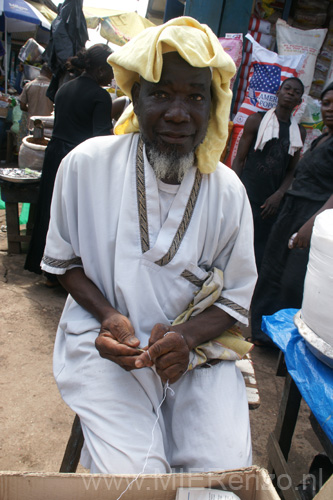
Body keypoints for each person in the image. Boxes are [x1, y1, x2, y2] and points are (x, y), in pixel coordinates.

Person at [41, 17, 257, 474]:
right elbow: (65, 263)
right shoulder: (86, 166)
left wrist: (187, 339)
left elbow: (236, 302)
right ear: (135, 99)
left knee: (217, 476)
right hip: (103, 343)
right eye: (160, 93)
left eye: (195, 96)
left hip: (199, 354)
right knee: (136, 475)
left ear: (213, 105)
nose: (179, 113)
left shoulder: (228, 191)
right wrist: (108, 315)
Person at [249, 82, 333, 346]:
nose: (330, 108)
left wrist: (311, 225)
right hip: (292, 211)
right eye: (326, 103)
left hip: (312, 215)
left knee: (291, 280)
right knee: (272, 269)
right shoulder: (322, 138)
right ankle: (263, 332)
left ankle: (284, 339)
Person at [24, 44, 114, 285]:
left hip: (55, 155)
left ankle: (47, 271)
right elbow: (102, 139)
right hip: (79, 160)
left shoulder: (64, 89)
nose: (113, 75)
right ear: (100, 69)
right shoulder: (100, 97)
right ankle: (69, 276)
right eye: (110, 69)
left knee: (50, 210)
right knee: (76, 216)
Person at [232, 78, 306, 270]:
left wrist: (279, 195)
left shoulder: (298, 132)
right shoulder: (256, 120)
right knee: (233, 241)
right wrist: (234, 191)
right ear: (279, 93)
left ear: (299, 101)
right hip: (247, 194)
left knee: (256, 250)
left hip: (270, 204)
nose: (291, 93)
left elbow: (292, 170)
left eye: (296, 92)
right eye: (287, 89)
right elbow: (240, 159)